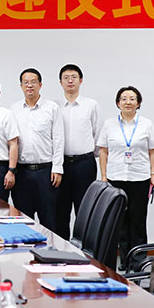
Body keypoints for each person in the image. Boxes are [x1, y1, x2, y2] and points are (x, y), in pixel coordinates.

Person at [98, 86, 154, 271]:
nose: (128, 102)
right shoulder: (109, 124)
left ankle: (138, 261)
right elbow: (103, 151)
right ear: (118, 103)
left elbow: (153, 151)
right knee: (120, 221)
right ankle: (124, 260)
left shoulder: (146, 124)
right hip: (115, 177)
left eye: (132, 99)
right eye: (124, 98)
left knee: (138, 220)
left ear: (138, 103)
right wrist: (103, 176)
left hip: (140, 178)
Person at [10, 68, 64, 232]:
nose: (29, 85)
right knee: (23, 220)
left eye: (33, 82)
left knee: (49, 219)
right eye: (26, 82)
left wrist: (57, 167)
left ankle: (51, 248)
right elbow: (11, 141)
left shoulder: (52, 108)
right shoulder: (14, 109)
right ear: (21, 86)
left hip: (46, 172)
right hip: (22, 172)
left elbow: (58, 138)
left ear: (40, 85)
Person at [55, 64, 101, 240]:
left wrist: (88, 155)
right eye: (66, 77)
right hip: (61, 165)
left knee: (85, 209)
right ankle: (62, 247)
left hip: (84, 165)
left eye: (74, 77)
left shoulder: (91, 105)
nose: (70, 81)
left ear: (80, 80)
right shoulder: (54, 106)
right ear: (60, 82)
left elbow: (97, 133)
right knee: (60, 210)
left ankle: (85, 249)